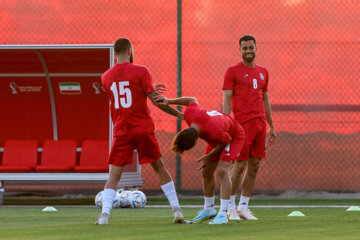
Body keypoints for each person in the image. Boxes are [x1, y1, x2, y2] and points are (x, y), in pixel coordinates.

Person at [96, 38, 184, 225]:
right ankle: (176, 210)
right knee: (159, 167)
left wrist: (147, 87)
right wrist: (180, 115)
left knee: (113, 176)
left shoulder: (105, 77)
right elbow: (156, 100)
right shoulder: (141, 71)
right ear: (129, 51)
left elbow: (125, 92)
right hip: (142, 128)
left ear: (115, 54)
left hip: (122, 131)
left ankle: (104, 216)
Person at [155, 96, 245, 224]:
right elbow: (192, 100)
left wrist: (210, 155)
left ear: (195, 142)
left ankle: (224, 213)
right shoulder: (189, 114)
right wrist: (168, 101)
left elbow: (227, 140)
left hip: (234, 136)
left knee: (222, 170)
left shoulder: (213, 132)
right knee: (206, 171)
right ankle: (209, 209)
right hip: (219, 133)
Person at [222, 34, 276, 220]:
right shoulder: (232, 71)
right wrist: (226, 124)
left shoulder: (263, 72)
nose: (248, 51)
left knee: (254, 165)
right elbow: (227, 99)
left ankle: (243, 207)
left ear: (256, 48)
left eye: (251, 47)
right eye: (244, 48)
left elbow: (266, 99)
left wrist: (271, 125)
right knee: (239, 166)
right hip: (242, 125)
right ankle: (228, 206)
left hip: (260, 123)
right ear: (240, 50)